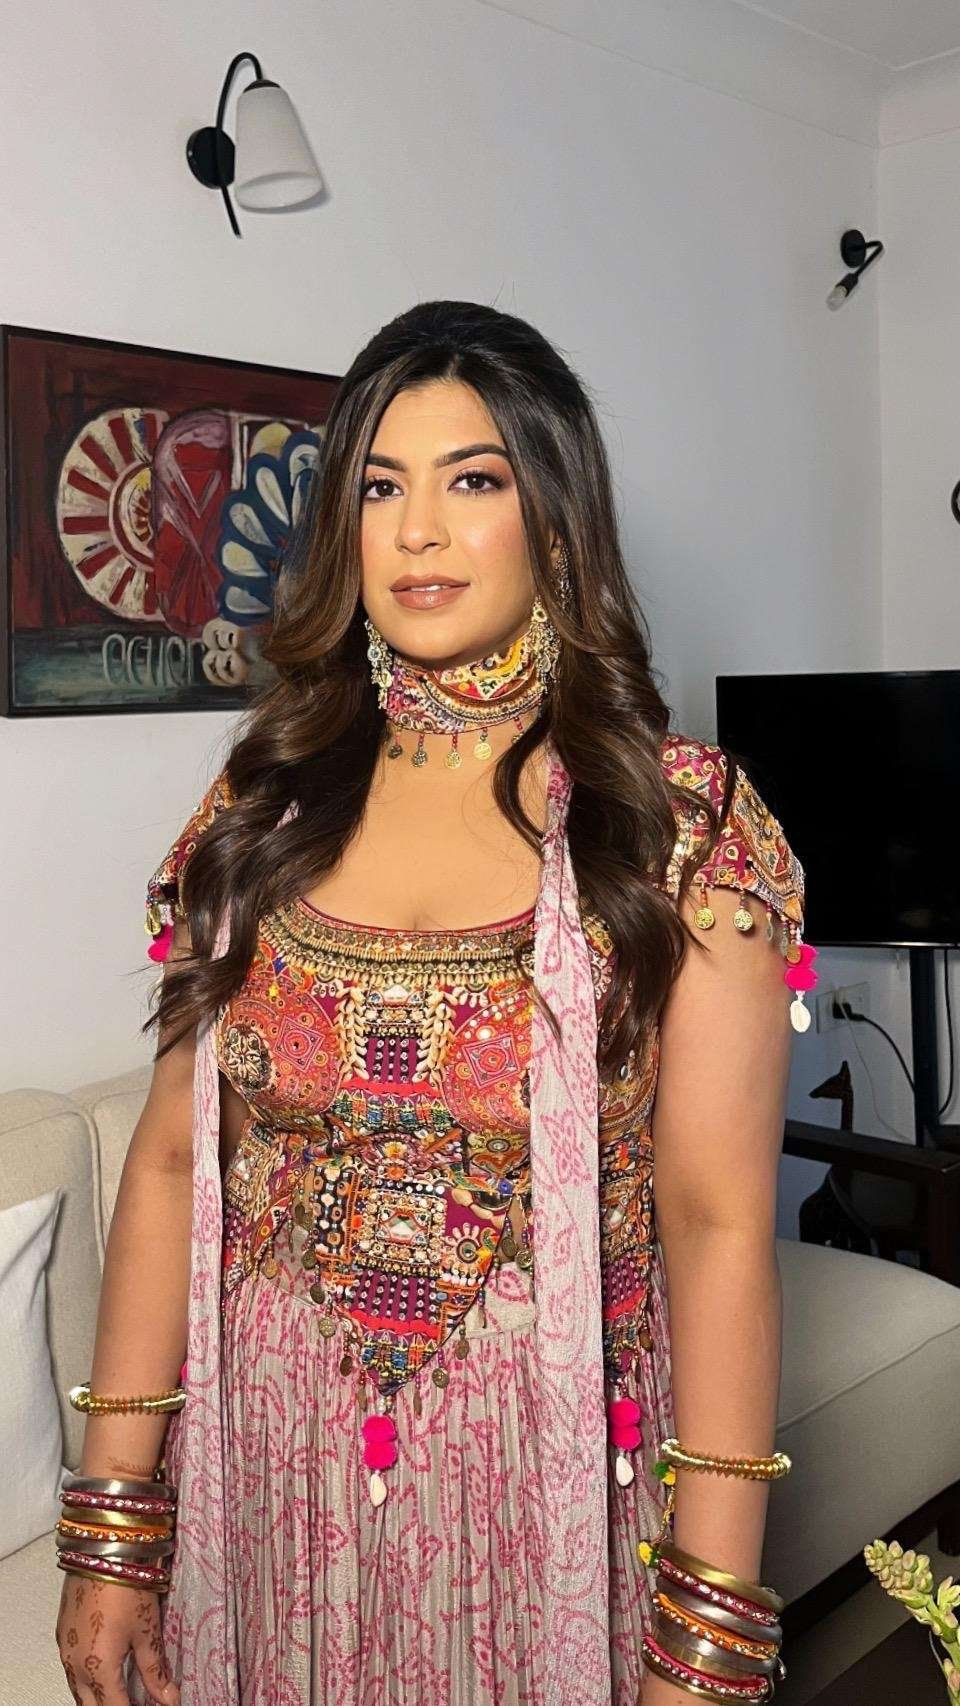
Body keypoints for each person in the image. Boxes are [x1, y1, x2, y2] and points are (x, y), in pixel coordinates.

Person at [55, 299, 813, 1706]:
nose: (416, 532)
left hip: (546, 1487)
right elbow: (169, 1162)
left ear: (558, 521)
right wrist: (115, 1523)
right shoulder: (265, 805)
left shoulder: (674, 826)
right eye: (379, 487)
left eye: (472, 481)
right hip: (265, 1468)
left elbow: (717, 1229)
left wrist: (706, 1641)